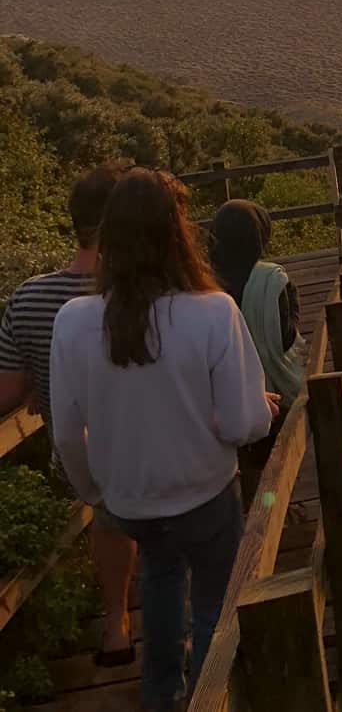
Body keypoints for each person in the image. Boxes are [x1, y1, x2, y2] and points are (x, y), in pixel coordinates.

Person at [50, 168, 274, 712]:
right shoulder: (213, 312)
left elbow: (65, 431)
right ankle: (208, 694)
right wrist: (263, 410)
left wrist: (95, 491)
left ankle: (160, 695)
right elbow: (244, 424)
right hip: (206, 496)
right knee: (213, 607)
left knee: (160, 577)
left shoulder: (75, 321)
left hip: (131, 502)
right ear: (178, 233)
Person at [0, 162, 138, 667]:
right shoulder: (139, 292)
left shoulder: (30, 295)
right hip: (148, 450)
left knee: (107, 506)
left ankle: (116, 620)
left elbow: (7, 391)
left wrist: (42, 376)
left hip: (76, 460)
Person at [208, 201, 304, 504]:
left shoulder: (203, 283)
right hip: (273, 394)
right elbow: (285, 340)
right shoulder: (272, 281)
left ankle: (251, 499)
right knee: (273, 458)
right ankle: (273, 507)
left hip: (219, 403)